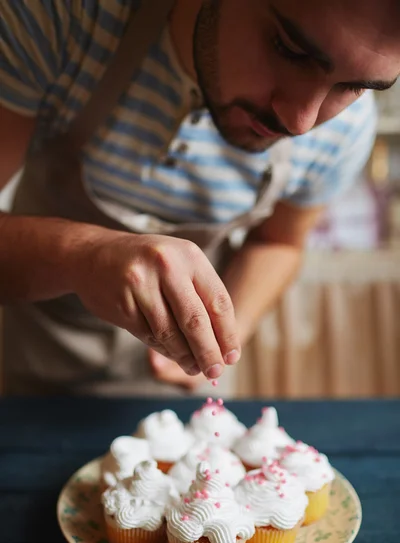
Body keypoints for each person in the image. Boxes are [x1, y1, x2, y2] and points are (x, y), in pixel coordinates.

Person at [0, 0, 399, 397]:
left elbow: (279, 242)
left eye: (353, 86)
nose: (301, 121)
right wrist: (83, 255)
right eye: (290, 50)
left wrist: (225, 331)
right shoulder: (60, 19)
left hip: (181, 398)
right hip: (21, 375)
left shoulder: (344, 131)